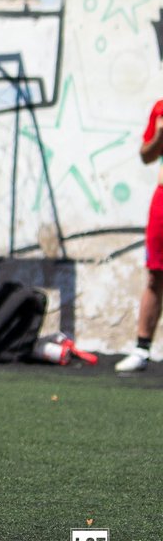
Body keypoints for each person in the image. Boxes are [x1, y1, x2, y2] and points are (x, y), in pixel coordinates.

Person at [115, 97, 163, 372]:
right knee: (156, 274)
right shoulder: (161, 107)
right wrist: (160, 134)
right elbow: (146, 155)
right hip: (162, 200)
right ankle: (141, 349)